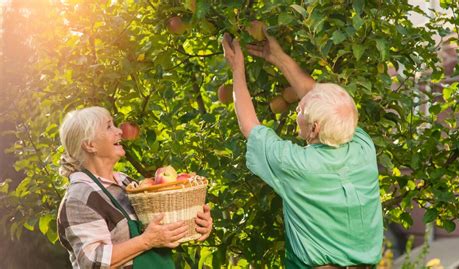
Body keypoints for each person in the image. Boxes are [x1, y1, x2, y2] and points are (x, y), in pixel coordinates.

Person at [222, 32, 383, 268]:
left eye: (301, 110)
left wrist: (237, 68)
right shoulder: (363, 146)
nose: (298, 106)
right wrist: (278, 57)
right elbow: (319, 95)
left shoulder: (297, 164)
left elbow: (250, 127)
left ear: (314, 128)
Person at [56, 106, 213, 268]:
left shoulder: (126, 183)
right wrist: (147, 240)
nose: (120, 131)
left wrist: (195, 223)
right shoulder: (80, 198)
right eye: (109, 126)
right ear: (90, 145)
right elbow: (92, 262)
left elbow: (161, 231)